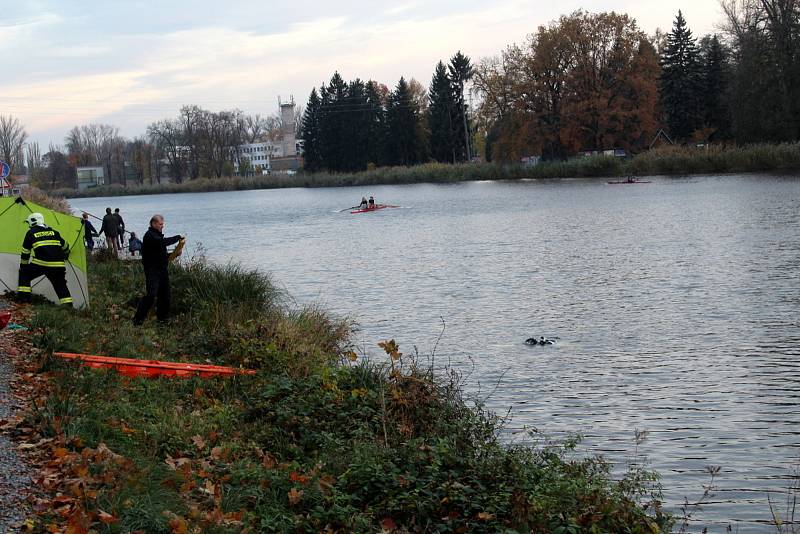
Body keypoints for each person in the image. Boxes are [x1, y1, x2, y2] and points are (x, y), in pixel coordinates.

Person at [132, 214, 184, 325]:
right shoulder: (150, 236)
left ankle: (162, 320)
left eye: (163, 224)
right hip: (152, 271)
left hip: (162, 270)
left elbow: (161, 254)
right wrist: (178, 237)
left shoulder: (157, 236)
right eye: (160, 224)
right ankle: (137, 320)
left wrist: (174, 253)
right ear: (153, 224)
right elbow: (162, 242)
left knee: (165, 296)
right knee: (151, 295)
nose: (162, 226)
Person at [16, 212, 73, 306]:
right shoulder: (55, 232)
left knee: (24, 273)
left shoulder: (31, 233)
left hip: (42, 263)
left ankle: (24, 300)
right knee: (60, 285)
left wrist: (23, 266)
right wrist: (65, 256)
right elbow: (66, 248)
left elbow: (25, 252)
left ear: (33, 221)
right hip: (59, 265)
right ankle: (68, 306)